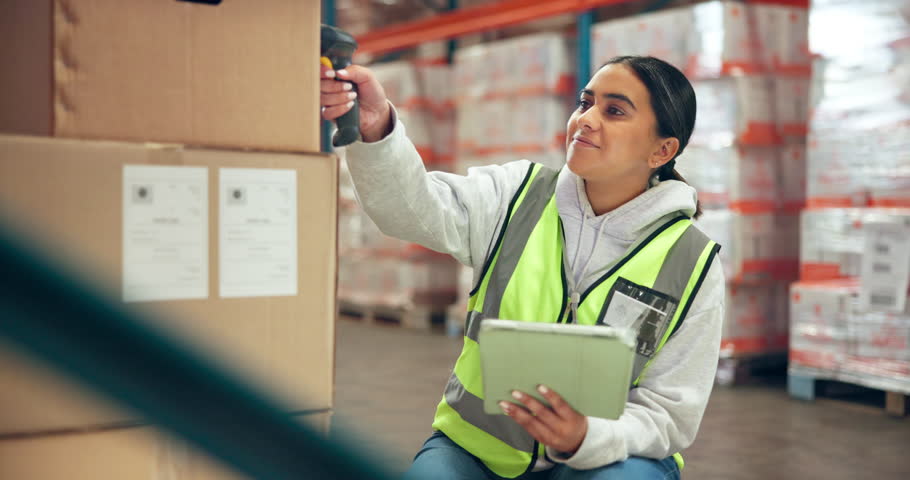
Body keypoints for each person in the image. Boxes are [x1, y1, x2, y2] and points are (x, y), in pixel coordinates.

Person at [320, 55, 725, 480]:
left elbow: (671, 412)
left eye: (614, 110)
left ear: (662, 150)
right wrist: (377, 128)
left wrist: (587, 438)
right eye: (585, 103)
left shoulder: (692, 263)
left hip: (608, 457)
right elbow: (412, 209)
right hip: (475, 451)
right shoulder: (516, 196)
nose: (586, 119)